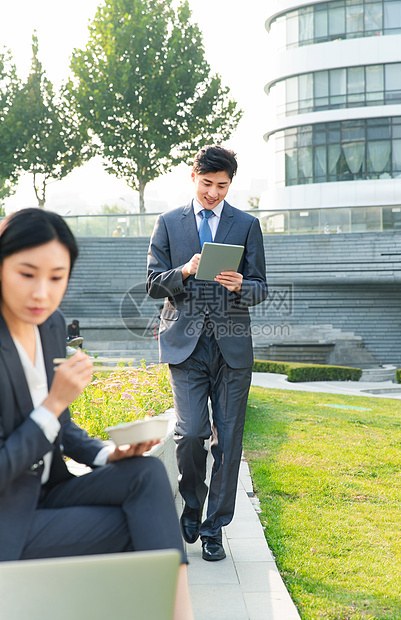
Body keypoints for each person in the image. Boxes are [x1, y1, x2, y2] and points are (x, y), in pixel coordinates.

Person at [0, 208, 192, 620]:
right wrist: (54, 402)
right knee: (142, 528)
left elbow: (61, 428)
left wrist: (108, 453)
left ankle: (180, 614)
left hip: (50, 492)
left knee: (145, 474)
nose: (41, 293)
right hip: (7, 517)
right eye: (26, 274)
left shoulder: (49, 326)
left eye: (56, 277)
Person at [146, 145, 267, 562]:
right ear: (192, 177)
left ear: (231, 183)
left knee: (229, 441)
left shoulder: (247, 224)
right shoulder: (167, 223)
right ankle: (193, 504)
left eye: (222, 185)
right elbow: (152, 285)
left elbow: (260, 287)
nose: (214, 192)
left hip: (232, 348)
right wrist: (184, 271)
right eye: (207, 183)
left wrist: (240, 285)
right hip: (185, 345)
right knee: (193, 432)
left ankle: (215, 527)